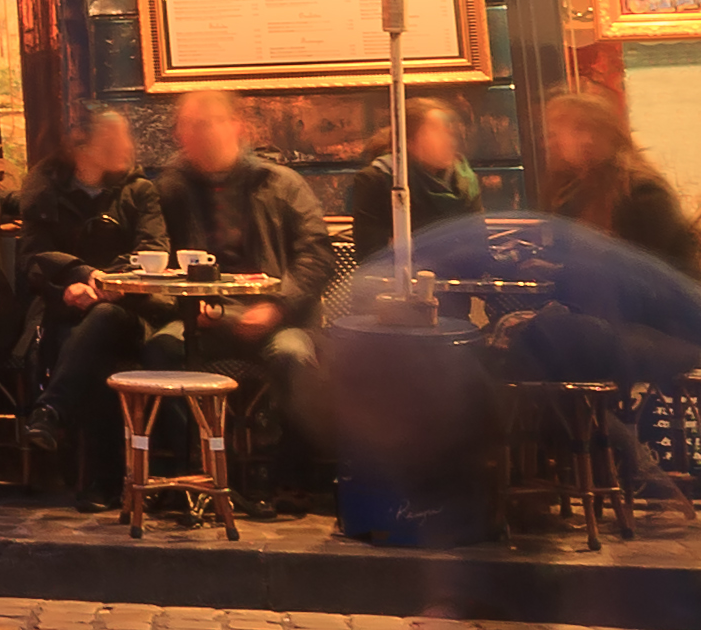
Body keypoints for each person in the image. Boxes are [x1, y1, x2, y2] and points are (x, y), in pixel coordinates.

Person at [39, 92, 344, 484]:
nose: (200, 134)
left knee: (293, 356)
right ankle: (193, 467)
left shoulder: (281, 183)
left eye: (210, 122)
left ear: (236, 126)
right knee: (160, 350)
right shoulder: (168, 190)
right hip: (198, 320)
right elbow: (151, 257)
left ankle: (287, 477)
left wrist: (277, 306)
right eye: (190, 125)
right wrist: (180, 306)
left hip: (274, 317)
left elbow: (316, 256)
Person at [11, 107, 162, 475]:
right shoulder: (45, 189)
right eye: (115, 137)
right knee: (86, 347)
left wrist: (107, 283)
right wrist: (72, 281)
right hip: (63, 306)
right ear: (83, 146)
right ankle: (99, 485)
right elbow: (31, 257)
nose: (128, 145)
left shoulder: (139, 191)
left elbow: (155, 250)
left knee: (102, 322)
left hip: (130, 308)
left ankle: (50, 412)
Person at [529, 85, 701, 278]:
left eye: (558, 133)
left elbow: (647, 274)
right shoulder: (572, 193)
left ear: (589, 136)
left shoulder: (641, 194)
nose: (549, 142)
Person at [342, 97, 487, 264]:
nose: (449, 139)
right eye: (436, 131)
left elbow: (478, 251)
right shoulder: (378, 180)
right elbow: (372, 256)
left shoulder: (465, 181)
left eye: (449, 131)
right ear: (409, 142)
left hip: (459, 285)